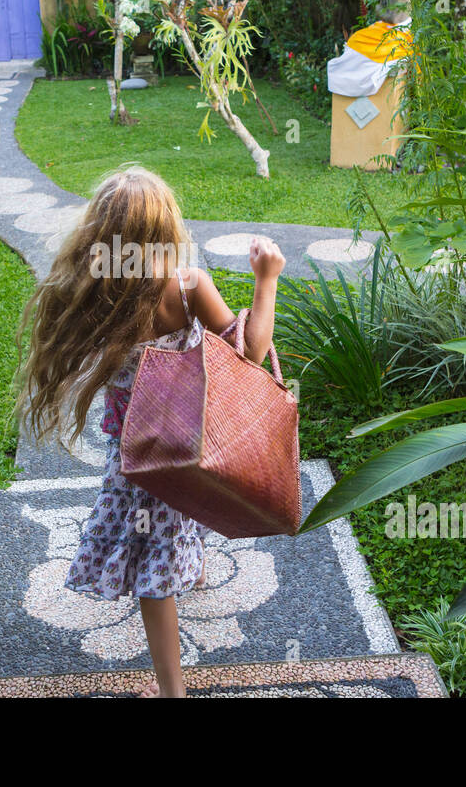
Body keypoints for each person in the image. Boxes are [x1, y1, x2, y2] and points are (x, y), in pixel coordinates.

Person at [16, 166, 285, 697]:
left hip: (135, 450)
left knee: (167, 525)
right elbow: (250, 352)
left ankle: (192, 567)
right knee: (155, 576)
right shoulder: (185, 288)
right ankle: (172, 690)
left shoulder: (92, 290)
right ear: (164, 230)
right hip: (187, 441)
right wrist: (266, 278)